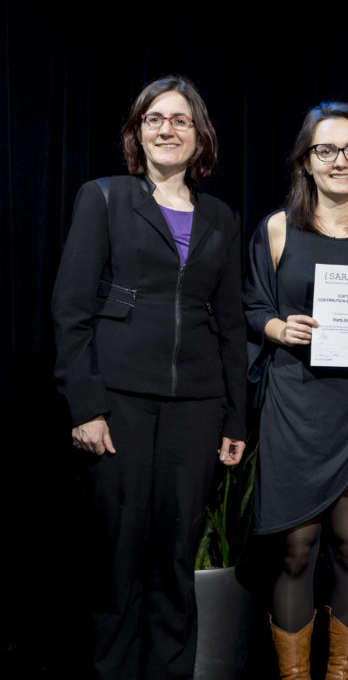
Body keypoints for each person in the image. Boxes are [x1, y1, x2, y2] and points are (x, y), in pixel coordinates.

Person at [52, 75, 246, 680]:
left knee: (174, 558)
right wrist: (85, 405)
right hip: (119, 405)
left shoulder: (221, 215)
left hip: (197, 408)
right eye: (154, 119)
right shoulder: (104, 196)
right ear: (138, 132)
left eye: (180, 120)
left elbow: (232, 324)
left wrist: (236, 415)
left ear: (199, 135)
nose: (167, 129)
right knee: (118, 557)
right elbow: (71, 310)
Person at [244, 101, 348, 680]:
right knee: (296, 548)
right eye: (325, 150)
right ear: (306, 162)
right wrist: (277, 327)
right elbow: (250, 308)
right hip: (295, 405)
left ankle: (341, 676)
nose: (339, 161)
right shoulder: (276, 229)